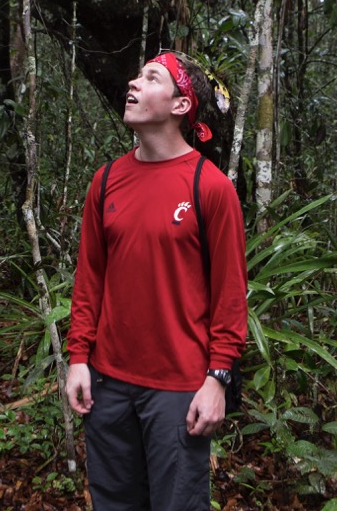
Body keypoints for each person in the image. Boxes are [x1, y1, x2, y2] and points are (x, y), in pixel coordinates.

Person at [65, 51, 248, 511]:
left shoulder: (210, 188)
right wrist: (78, 357)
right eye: (136, 76)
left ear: (181, 105)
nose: (133, 83)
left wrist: (218, 380)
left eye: (151, 78)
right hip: (108, 383)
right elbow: (90, 280)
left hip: (179, 389)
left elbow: (229, 295)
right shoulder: (105, 182)